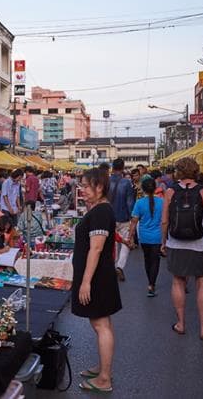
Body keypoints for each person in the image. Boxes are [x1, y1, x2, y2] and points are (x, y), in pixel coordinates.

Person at [73, 168, 120, 393]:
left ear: (99, 187)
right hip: (100, 275)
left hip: (98, 277)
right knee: (102, 323)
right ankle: (103, 368)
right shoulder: (100, 209)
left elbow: (97, 247)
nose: (82, 190)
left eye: (85, 186)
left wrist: (86, 281)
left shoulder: (101, 211)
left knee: (101, 325)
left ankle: (104, 379)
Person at [162, 157, 203, 340]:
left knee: (178, 281)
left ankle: (180, 323)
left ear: (178, 171)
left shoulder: (170, 191)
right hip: (200, 244)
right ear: (196, 171)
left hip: (175, 242)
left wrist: (163, 241)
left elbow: (164, 221)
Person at [128, 178, 163, 297]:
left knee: (147, 260)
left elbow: (134, 221)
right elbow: (165, 221)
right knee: (155, 261)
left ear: (143, 189)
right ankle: (151, 284)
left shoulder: (139, 203)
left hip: (144, 237)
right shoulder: (161, 202)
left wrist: (130, 237)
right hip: (158, 236)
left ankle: (150, 281)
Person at [108, 159, 135, 282]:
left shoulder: (106, 181)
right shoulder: (126, 182)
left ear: (113, 167)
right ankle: (120, 267)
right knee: (125, 243)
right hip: (123, 217)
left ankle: (112, 266)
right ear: (123, 168)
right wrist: (132, 218)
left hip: (109, 217)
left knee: (112, 244)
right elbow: (130, 202)